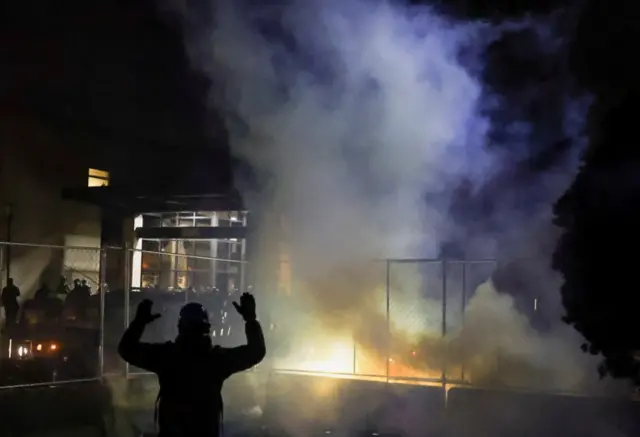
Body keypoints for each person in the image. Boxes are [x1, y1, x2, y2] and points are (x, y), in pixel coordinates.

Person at [118, 292, 266, 437]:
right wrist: (250, 320)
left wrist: (139, 323)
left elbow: (126, 349)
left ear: (180, 328)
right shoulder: (217, 360)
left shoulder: (166, 356)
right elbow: (256, 352)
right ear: (207, 329)